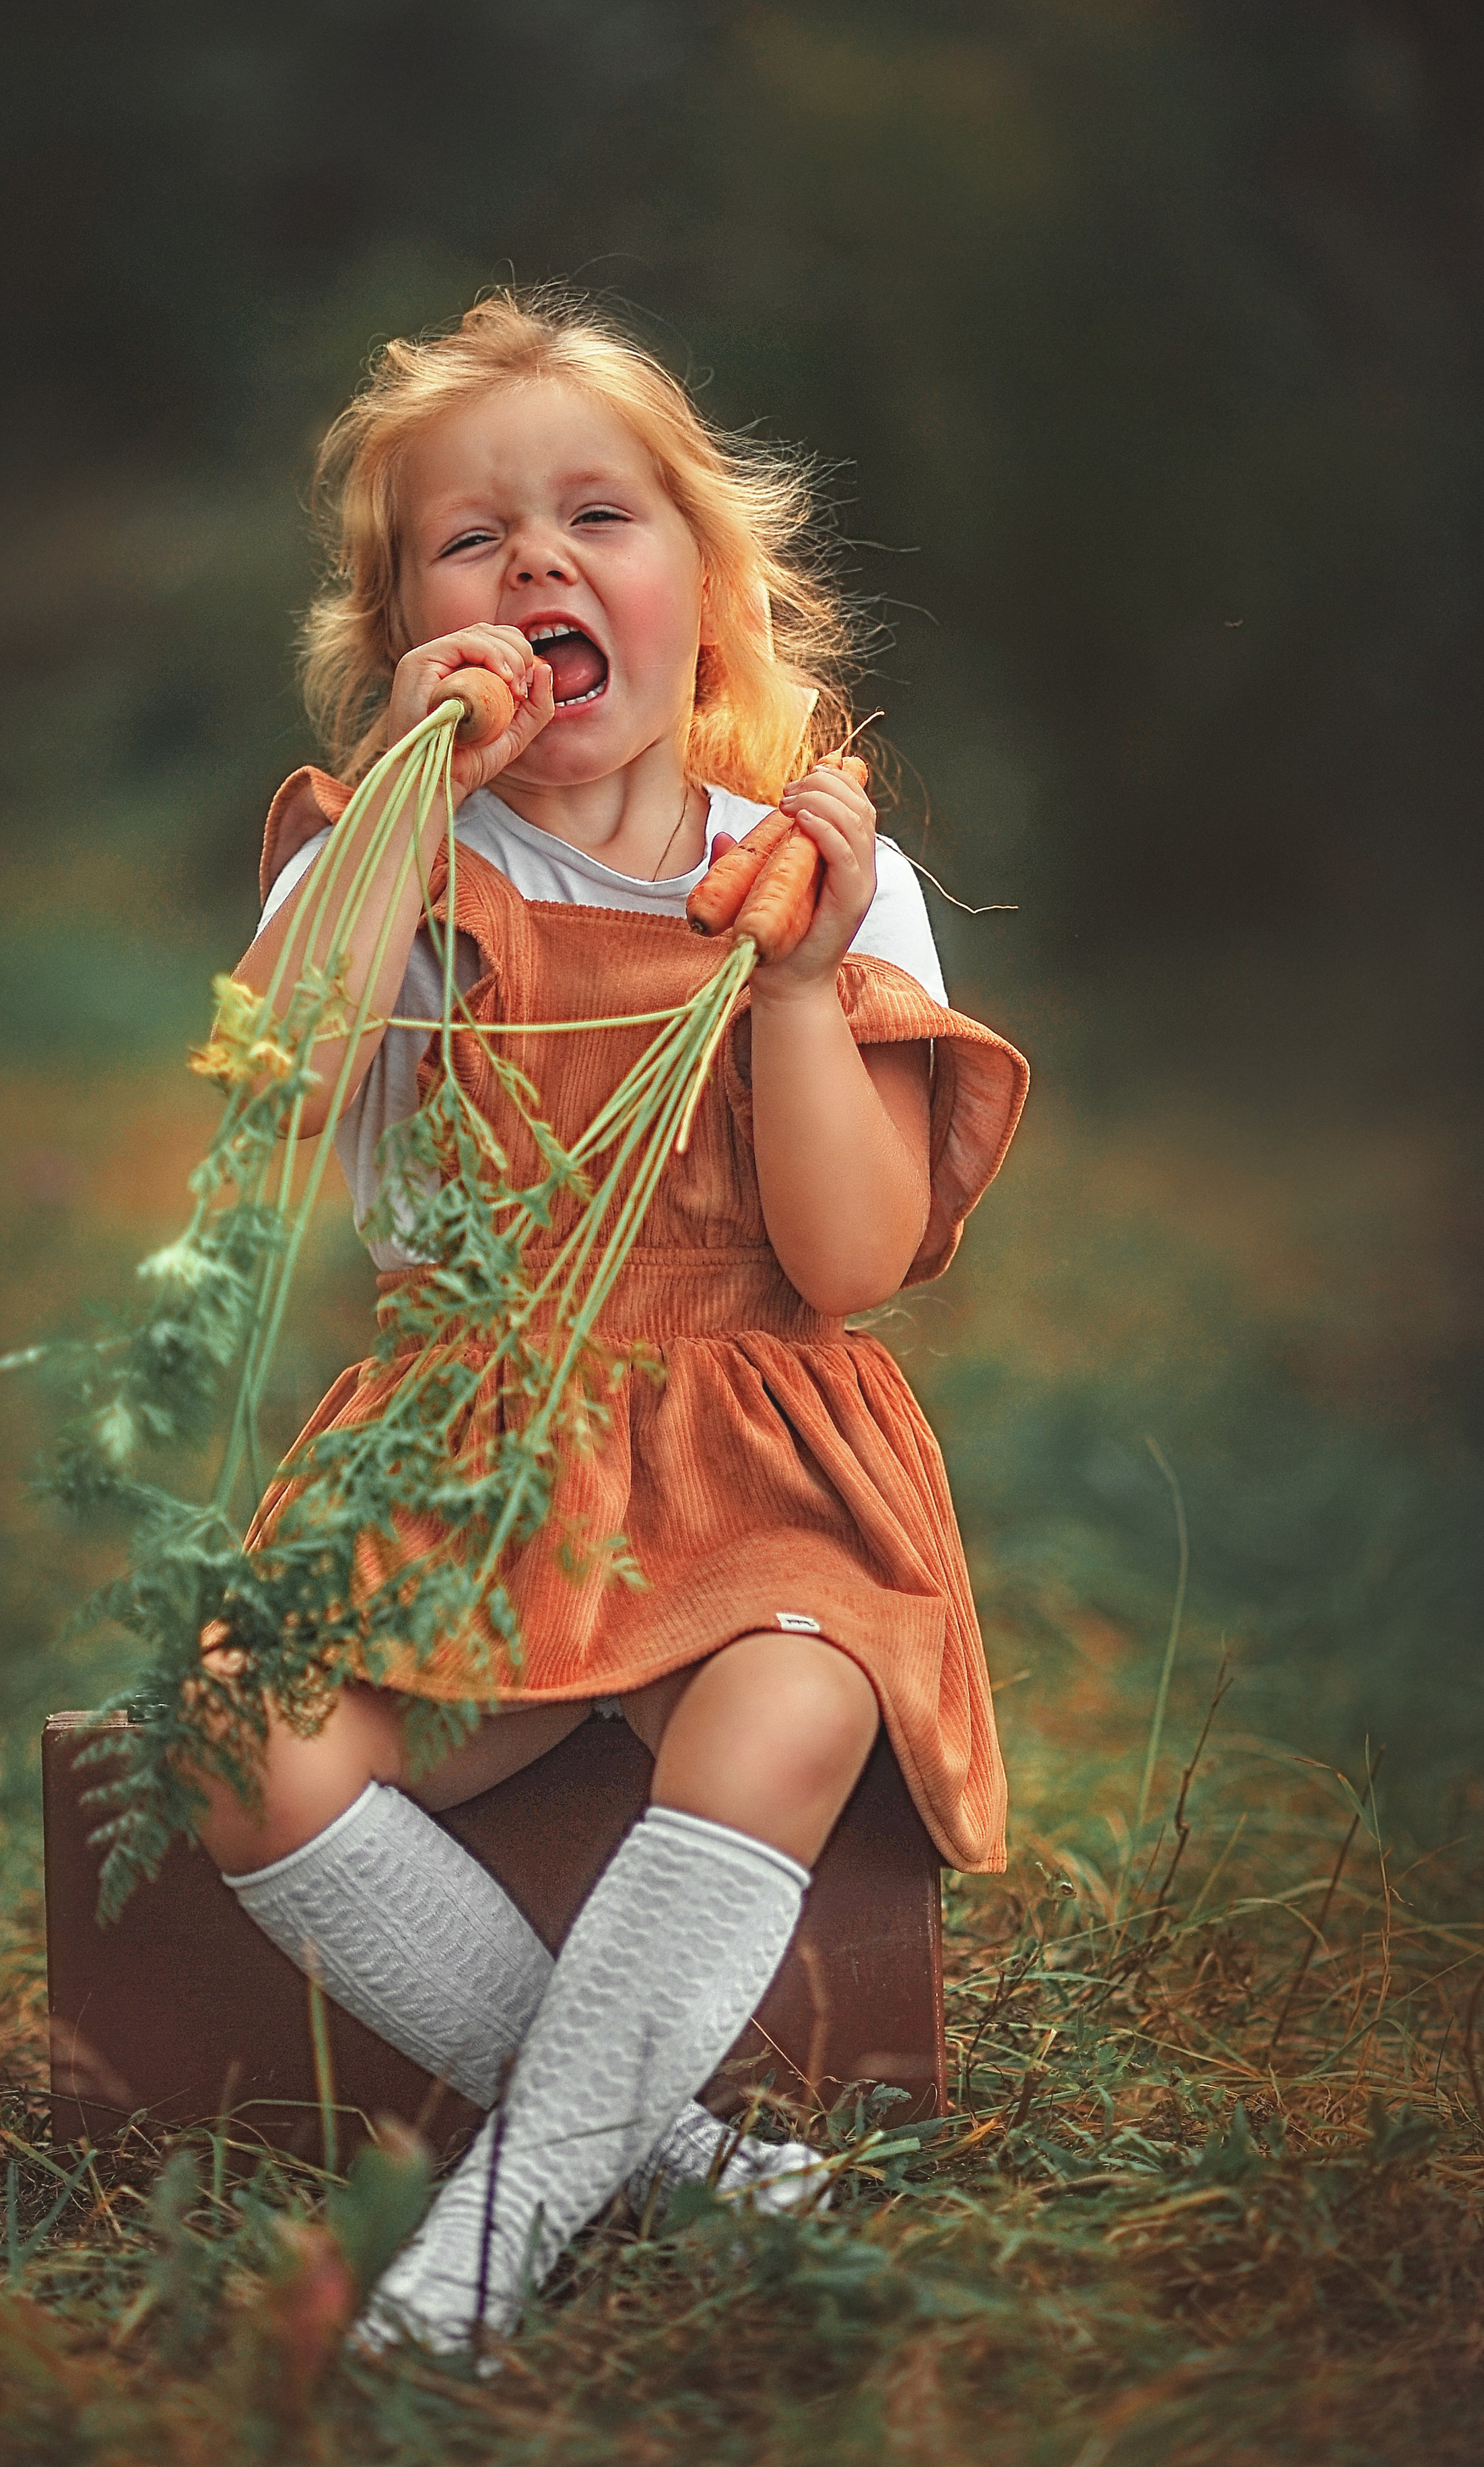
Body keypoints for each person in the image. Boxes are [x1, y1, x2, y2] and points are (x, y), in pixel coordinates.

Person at [192, 290, 1028, 2353]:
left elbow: (845, 1263)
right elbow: (280, 1090)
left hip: (750, 1436)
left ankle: (472, 2267)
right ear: (396, 633)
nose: (537, 565)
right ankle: (648, 2152)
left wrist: (810, 983)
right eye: (470, 542)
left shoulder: (819, 883)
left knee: (799, 1687)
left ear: (714, 609)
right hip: (466, 1442)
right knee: (229, 1729)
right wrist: (395, 797)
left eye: (599, 520)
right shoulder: (388, 854)